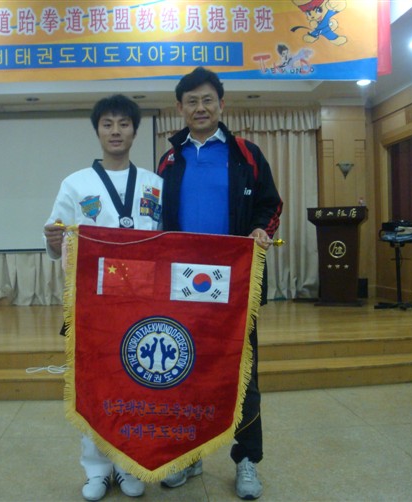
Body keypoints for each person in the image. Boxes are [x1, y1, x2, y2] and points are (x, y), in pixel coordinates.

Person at [156, 67, 283, 500]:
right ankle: (189, 454)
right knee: (186, 370)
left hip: (235, 285)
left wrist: (261, 229)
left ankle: (246, 459)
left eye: (207, 99)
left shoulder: (246, 154)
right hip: (181, 284)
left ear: (221, 104)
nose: (200, 107)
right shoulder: (169, 160)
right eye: (191, 101)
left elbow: (271, 204)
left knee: (242, 373)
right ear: (180, 108)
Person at [43, 95, 163, 501]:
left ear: (134, 131)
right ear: (97, 131)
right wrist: (52, 241)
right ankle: (95, 469)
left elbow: (167, 239)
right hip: (92, 303)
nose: (115, 131)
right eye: (107, 124)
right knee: (94, 386)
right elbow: (56, 239)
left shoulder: (154, 184)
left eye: (123, 124)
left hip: (142, 301)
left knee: (135, 383)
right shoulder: (75, 184)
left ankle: (128, 464)